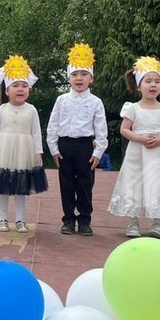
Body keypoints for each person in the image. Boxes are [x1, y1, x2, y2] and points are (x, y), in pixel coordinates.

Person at [108, 56, 160, 239]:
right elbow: (124, 129)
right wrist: (139, 138)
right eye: (148, 81)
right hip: (138, 153)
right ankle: (133, 222)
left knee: (159, 184)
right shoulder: (132, 108)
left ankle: (158, 223)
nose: (153, 85)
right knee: (134, 183)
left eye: (157, 81)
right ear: (138, 86)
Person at [0, 55, 48, 233]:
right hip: (3, 151)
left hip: (24, 152)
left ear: (29, 89)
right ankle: (2, 218)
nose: (20, 89)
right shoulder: (1, 110)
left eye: (24, 85)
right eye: (15, 85)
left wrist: (38, 152)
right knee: (3, 186)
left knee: (20, 186)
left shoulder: (32, 110)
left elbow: (36, 132)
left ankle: (20, 219)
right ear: (7, 90)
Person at [47, 43, 108, 236]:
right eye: (74, 74)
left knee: (85, 184)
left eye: (84, 74)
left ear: (91, 78)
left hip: (85, 146)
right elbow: (52, 125)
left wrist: (98, 152)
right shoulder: (61, 100)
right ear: (68, 78)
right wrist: (54, 149)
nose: (79, 78)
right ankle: (68, 219)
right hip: (65, 145)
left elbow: (101, 129)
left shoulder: (96, 102)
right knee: (66, 184)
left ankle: (84, 220)